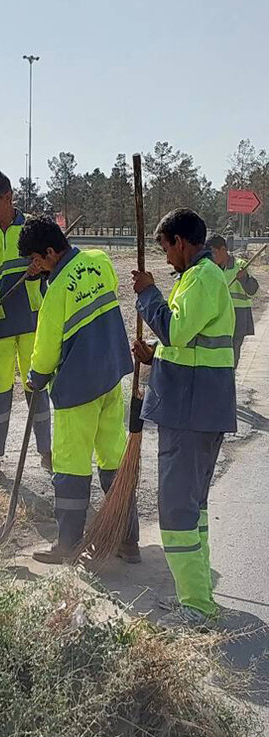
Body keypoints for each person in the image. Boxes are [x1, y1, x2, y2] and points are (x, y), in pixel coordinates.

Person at [132, 208, 236, 628]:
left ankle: (195, 607)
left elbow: (176, 331)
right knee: (193, 509)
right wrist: (156, 356)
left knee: (176, 511)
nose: (166, 257)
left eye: (166, 248)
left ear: (180, 242)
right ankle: (199, 596)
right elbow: (187, 344)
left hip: (191, 411)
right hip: (198, 406)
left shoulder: (201, 278)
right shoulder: (200, 278)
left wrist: (148, 294)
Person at [17, 217, 138, 564]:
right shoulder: (100, 261)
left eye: (36, 259)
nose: (35, 266)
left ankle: (68, 543)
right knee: (114, 460)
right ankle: (127, 540)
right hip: (112, 379)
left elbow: (45, 349)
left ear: (50, 252)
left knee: (71, 467)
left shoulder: (56, 293)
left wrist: (36, 378)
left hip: (78, 389)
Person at [0, 170, 51, 479]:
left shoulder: (31, 230)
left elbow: (54, 263)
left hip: (31, 323)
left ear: (8, 197)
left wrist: (41, 268)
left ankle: (46, 453)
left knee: (37, 389)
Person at [207, 233, 259, 366]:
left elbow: (253, 291)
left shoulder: (241, 266)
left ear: (223, 249)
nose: (211, 257)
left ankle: (230, 376)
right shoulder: (211, 269)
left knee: (233, 353)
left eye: (213, 253)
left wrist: (244, 278)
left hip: (238, 316)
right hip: (219, 315)